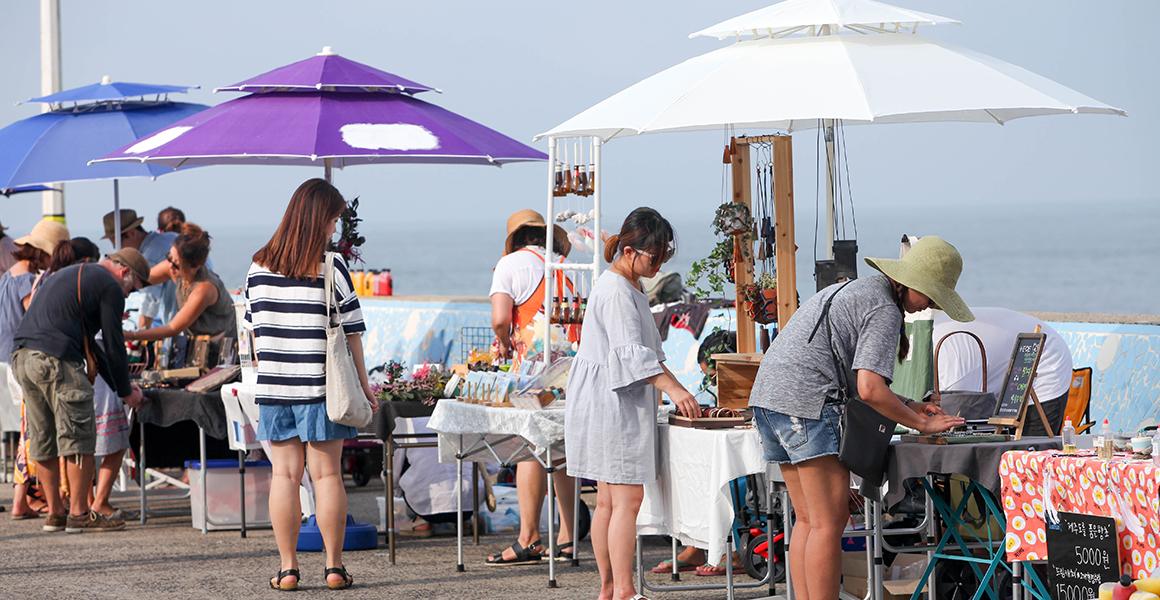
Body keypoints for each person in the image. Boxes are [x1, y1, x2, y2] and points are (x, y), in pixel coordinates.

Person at [748, 236, 970, 600]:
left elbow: (858, 378)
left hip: (770, 398)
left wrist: (911, 405)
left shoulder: (858, 290)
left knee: (808, 519)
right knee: (829, 522)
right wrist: (922, 424)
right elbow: (869, 389)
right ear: (910, 283)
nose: (928, 306)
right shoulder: (885, 309)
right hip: (806, 402)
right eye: (931, 296)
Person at [245, 178, 377, 591]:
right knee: (327, 476)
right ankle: (334, 567)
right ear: (320, 219)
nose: (335, 228)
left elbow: (253, 333)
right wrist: (364, 384)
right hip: (322, 389)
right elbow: (352, 333)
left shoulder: (257, 267)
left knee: (284, 476)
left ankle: (287, 569)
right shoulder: (330, 266)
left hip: (274, 389)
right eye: (333, 220)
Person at [565, 207, 700, 600]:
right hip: (612, 400)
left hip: (606, 396)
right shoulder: (618, 292)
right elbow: (632, 355)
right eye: (653, 257)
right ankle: (623, 589)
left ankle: (610, 588)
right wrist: (676, 391)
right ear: (629, 251)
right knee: (627, 500)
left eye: (663, 257)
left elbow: (648, 355)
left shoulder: (628, 284)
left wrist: (677, 388)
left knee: (609, 501)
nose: (658, 266)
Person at [10, 248, 148, 534]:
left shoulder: (75, 274)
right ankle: (79, 513)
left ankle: (56, 514)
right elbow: (114, 344)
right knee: (79, 437)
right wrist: (127, 392)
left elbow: (94, 347)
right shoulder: (110, 286)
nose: (128, 296)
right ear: (125, 272)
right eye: (133, 289)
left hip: (23, 358)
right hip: (56, 360)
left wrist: (120, 387)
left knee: (43, 438)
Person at [485, 209, 578, 565]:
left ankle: (529, 537)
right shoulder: (566, 265)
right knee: (562, 450)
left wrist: (504, 341)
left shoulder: (509, 265)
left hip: (533, 371)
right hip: (572, 368)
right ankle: (568, 537)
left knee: (531, 447)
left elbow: (500, 318)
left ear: (515, 239)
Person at [1, 219, 69, 519]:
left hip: (8, 359)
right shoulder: (27, 281)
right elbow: (36, 319)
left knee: (28, 430)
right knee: (35, 431)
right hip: (25, 359)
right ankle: (28, 499)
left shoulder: (8, 277)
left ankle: (21, 500)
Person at [933, 307, 1073, 436]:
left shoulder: (953, 369)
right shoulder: (930, 337)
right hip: (993, 361)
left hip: (1045, 359)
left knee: (1032, 447)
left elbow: (962, 416)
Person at [125, 223, 236, 347]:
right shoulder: (172, 267)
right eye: (169, 257)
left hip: (221, 346)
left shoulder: (204, 289)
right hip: (197, 342)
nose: (170, 266)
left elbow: (173, 328)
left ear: (195, 267)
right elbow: (138, 281)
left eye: (176, 265)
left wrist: (130, 335)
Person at [102, 209, 178, 329]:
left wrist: (140, 333)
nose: (118, 249)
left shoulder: (149, 257)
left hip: (179, 323)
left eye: (117, 244)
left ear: (131, 233)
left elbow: (150, 300)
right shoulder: (170, 237)